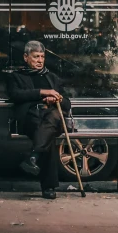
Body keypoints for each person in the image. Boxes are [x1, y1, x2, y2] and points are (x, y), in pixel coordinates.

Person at [6, 40, 71, 199]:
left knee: (51, 119)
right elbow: (16, 95)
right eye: (36, 57)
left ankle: (34, 155)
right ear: (26, 57)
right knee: (46, 133)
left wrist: (55, 100)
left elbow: (66, 103)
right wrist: (43, 92)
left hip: (53, 117)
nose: (40, 60)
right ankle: (48, 187)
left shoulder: (52, 77)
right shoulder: (16, 76)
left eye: (42, 56)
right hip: (31, 117)